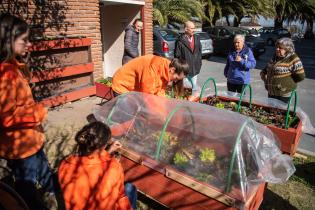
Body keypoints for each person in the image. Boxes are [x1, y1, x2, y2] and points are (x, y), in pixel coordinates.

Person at [0, 14, 57, 209]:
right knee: (27, 191)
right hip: (21, 148)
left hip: (33, 140)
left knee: (47, 175)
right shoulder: (5, 74)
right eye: (24, 40)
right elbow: (7, 118)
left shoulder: (15, 67)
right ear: (8, 41)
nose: (29, 44)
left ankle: (53, 198)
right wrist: (39, 113)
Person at [58, 121, 137, 210]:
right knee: (130, 187)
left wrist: (108, 152)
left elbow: (90, 163)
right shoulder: (114, 167)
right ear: (103, 146)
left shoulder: (65, 163)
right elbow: (120, 197)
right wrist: (111, 161)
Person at [112, 54, 189, 97]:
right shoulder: (152, 69)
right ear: (172, 70)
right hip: (122, 85)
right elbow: (147, 96)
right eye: (176, 78)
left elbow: (160, 92)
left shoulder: (166, 70)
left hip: (135, 89)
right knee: (126, 117)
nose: (175, 81)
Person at [260, 37, 305, 103]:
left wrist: (287, 83)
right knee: (270, 111)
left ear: (287, 49)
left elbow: (301, 76)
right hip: (271, 92)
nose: (277, 49)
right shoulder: (275, 56)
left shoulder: (293, 58)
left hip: (283, 93)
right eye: (277, 47)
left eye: (280, 48)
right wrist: (263, 73)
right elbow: (268, 67)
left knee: (281, 112)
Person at [175, 21, 202, 95]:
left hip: (195, 69)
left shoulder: (197, 38)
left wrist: (199, 63)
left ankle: (192, 103)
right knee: (186, 90)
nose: (194, 30)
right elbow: (177, 56)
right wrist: (181, 68)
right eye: (192, 28)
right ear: (186, 29)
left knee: (194, 89)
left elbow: (199, 52)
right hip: (185, 71)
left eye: (194, 28)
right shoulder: (180, 41)